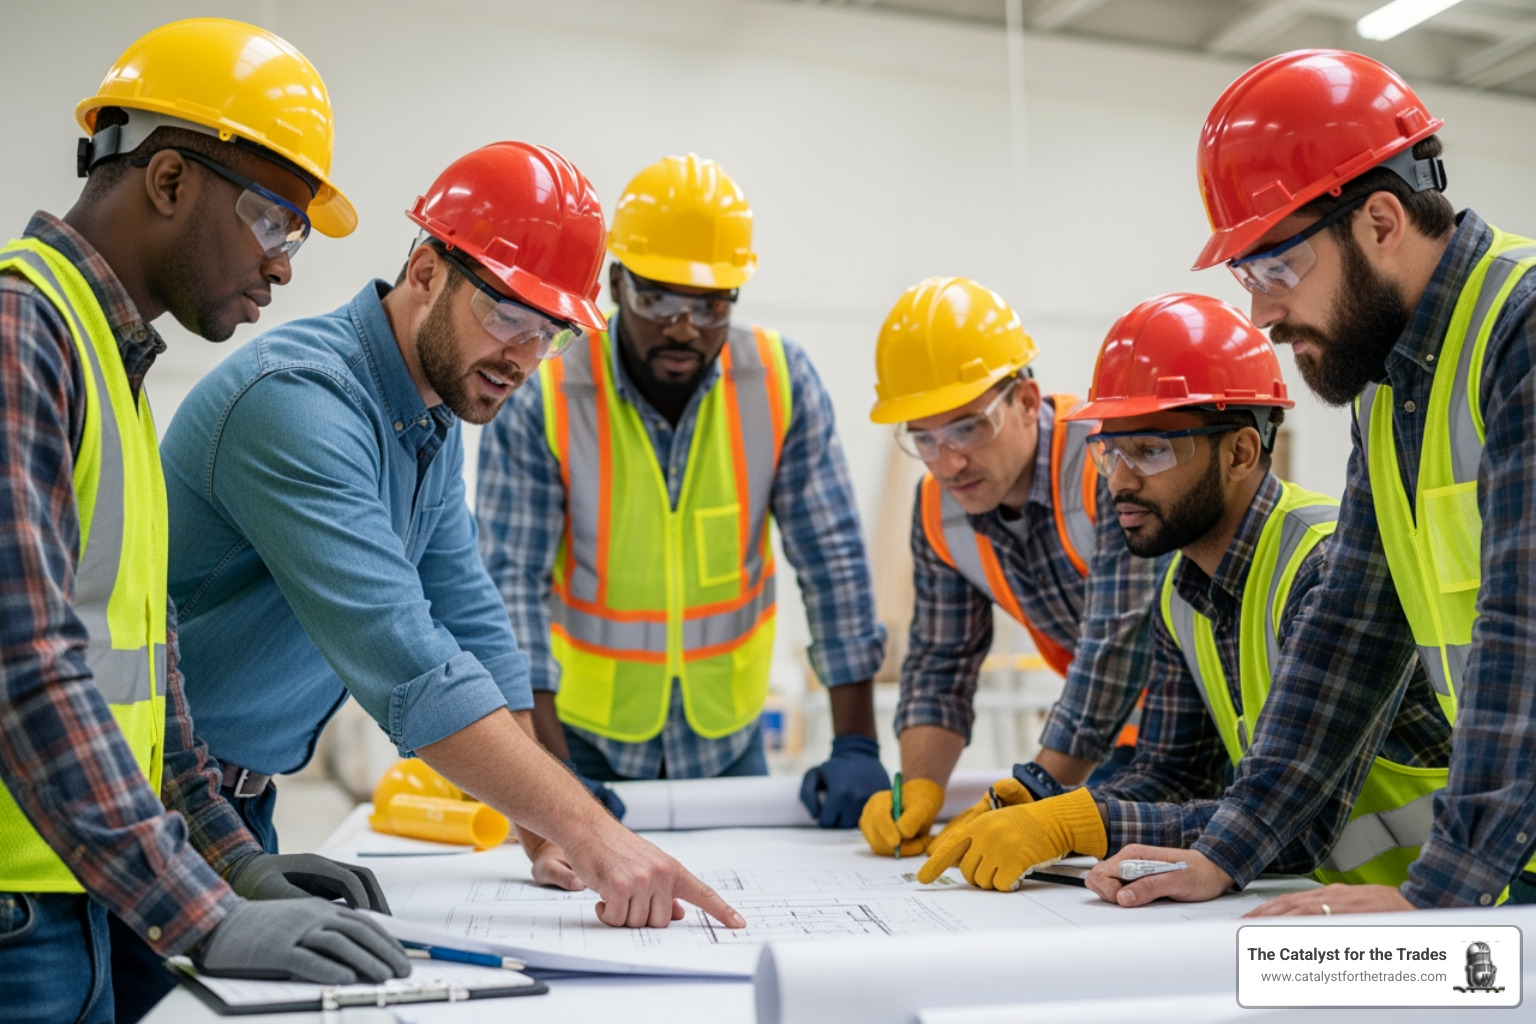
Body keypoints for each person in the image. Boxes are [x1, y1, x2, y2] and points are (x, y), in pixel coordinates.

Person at [160, 142, 746, 931]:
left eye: (551, 334)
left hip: (237, 805)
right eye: (506, 312)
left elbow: (470, 616)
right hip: (151, 800)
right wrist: (595, 831)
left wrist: (545, 831)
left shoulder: (428, 414)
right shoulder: (299, 402)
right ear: (427, 272)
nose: (524, 358)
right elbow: (406, 656)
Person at [0, 19, 413, 1024]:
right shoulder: (22, 334)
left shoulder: (118, 364)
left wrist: (238, 863)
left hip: (84, 895)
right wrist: (203, 914)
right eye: (274, 219)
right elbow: (24, 663)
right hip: (23, 920)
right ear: (172, 182)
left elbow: (149, 676)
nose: (282, 266)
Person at [1094, 49, 1536, 915]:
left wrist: (1441, 897)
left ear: (1379, 221)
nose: (1259, 315)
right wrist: (1226, 850)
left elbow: (1525, 627)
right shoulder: (1392, 389)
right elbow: (1352, 630)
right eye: (1246, 278)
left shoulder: (1520, 336)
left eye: (1276, 271)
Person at [913, 294, 1450, 893]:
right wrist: (1054, 808)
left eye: (1150, 450)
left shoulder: (1323, 566)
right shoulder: (1179, 593)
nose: (1118, 480)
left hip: (1481, 906)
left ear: (1242, 453)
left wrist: (1082, 822)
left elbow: (1297, 823)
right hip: (1352, 911)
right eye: (1109, 451)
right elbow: (1174, 772)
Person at [476, 154, 888, 828]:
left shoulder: (782, 383)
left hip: (730, 738)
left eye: (709, 303)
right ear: (614, 284)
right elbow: (508, 589)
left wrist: (857, 742)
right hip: (581, 738)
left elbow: (833, 560)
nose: (683, 326)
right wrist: (549, 773)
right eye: (658, 297)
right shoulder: (545, 396)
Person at [858, 277, 1162, 857]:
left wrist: (1031, 790)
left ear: (1025, 402)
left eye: (968, 427)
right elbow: (940, 665)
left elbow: (1118, 646)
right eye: (923, 439)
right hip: (1115, 737)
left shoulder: (1106, 463)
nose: (947, 462)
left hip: (1208, 724)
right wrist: (920, 786)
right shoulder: (937, 511)